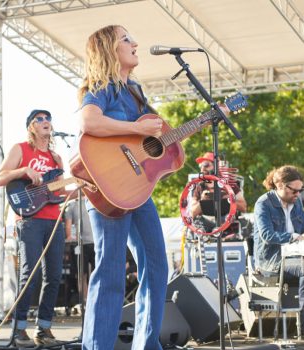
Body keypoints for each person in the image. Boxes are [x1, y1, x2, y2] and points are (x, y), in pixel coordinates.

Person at [77, 25, 168, 350]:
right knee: (111, 269)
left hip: (137, 190)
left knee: (158, 265)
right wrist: (134, 126)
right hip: (108, 190)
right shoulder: (102, 87)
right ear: (108, 49)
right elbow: (89, 122)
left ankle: (147, 344)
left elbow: (148, 142)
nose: (136, 43)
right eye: (126, 39)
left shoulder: (136, 90)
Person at [0, 109, 74, 347]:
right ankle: (18, 330)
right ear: (31, 126)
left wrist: (80, 190)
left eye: (48, 118)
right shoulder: (21, 149)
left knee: (54, 275)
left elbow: (59, 194)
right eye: (39, 119)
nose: (45, 121)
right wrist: (23, 171)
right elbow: (0, 178)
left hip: (54, 221)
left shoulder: (57, 158)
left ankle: (44, 328)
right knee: (30, 274)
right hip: (29, 220)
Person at [253, 165, 304, 333]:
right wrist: (292, 237)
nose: (298, 194)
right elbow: (267, 235)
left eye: (300, 190)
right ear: (280, 185)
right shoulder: (263, 203)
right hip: (271, 261)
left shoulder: (296, 203)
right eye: (294, 191)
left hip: (295, 257)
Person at [189, 151, 247, 234]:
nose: (202, 168)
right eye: (201, 165)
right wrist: (202, 201)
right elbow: (192, 213)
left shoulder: (230, 185)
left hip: (229, 227)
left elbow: (244, 207)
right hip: (206, 228)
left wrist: (230, 200)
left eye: (206, 165)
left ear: (216, 167)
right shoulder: (199, 187)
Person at [64, 197, 95, 303]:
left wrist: (69, 236)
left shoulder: (72, 206)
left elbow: (68, 227)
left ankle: (86, 301)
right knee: (91, 273)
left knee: (82, 274)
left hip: (82, 244)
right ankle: (91, 299)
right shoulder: (93, 201)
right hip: (92, 242)